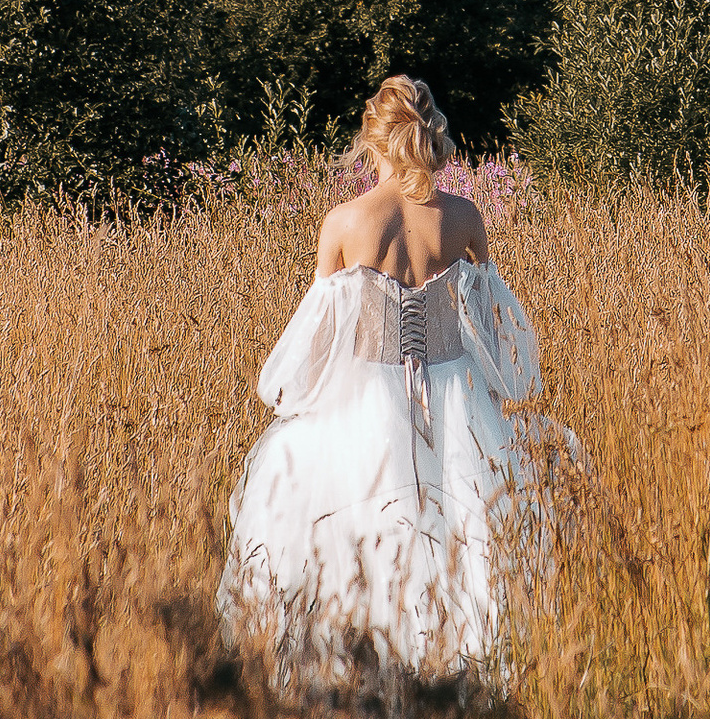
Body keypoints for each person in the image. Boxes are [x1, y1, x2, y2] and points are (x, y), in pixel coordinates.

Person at [219, 73, 546, 675]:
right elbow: (497, 329)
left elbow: (316, 345)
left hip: (365, 397)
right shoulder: (465, 217)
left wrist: (303, 408)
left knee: (363, 541)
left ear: (373, 142)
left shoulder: (345, 222)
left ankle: (366, 675)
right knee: (458, 541)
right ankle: (454, 676)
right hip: (454, 403)